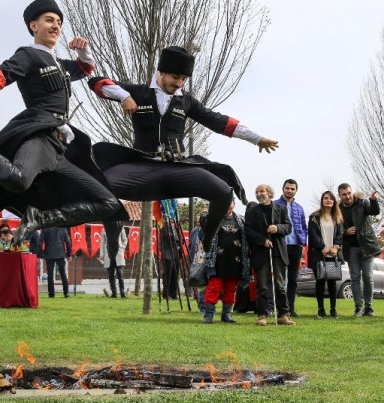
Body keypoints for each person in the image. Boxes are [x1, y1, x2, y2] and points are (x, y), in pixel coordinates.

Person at [0, 0, 126, 247]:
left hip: (58, 149)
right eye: (49, 20)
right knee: (17, 179)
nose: (56, 25)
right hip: (39, 135)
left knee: (108, 203)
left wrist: (82, 50)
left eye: (58, 21)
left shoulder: (61, 64)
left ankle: (40, 217)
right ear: (34, 26)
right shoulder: (29, 55)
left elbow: (86, 69)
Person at [88, 45, 279, 258]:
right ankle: (112, 234)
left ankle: (208, 239)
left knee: (224, 191)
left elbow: (219, 121)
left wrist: (258, 139)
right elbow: (95, 82)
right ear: (161, 72)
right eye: (175, 77)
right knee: (101, 187)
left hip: (176, 166)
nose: (179, 83)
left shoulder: (186, 101)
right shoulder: (138, 92)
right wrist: (123, 96)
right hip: (141, 164)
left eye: (184, 79)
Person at [244, 184, 295, 326]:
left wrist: (277, 228)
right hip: (260, 252)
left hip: (278, 251)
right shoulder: (251, 212)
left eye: (261, 191)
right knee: (262, 286)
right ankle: (262, 315)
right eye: (256, 192)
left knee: (280, 285)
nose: (259, 194)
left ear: (270, 193)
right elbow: (248, 231)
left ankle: (283, 315)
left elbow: (288, 227)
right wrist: (262, 240)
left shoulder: (281, 209)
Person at [202, 199, 250, 324]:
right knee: (214, 287)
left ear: (234, 204)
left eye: (231, 202)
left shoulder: (241, 220)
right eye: (226, 201)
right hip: (217, 259)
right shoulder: (214, 218)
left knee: (231, 288)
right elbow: (204, 226)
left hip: (236, 259)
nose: (228, 204)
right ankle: (209, 314)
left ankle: (226, 314)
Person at [338, 183, 381, 317]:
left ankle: (369, 307)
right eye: (344, 194)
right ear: (340, 195)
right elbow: (337, 229)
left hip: (367, 245)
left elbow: (374, 211)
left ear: (352, 192)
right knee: (355, 278)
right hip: (351, 248)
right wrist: (346, 232)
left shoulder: (361, 203)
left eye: (349, 193)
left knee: (368, 277)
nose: (347, 196)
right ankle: (358, 307)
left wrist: (373, 201)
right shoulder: (338, 209)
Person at [274, 179, 307, 317]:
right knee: (278, 279)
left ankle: (290, 308)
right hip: (280, 245)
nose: (290, 191)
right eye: (287, 188)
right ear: (283, 189)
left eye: (292, 189)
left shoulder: (299, 207)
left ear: (296, 191)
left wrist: (303, 242)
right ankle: (277, 308)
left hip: (295, 246)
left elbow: (303, 226)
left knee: (293, 279)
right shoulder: (274, 204)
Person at [308, 191, 344, 319]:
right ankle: (320, 309)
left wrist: (336, 247)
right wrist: (322, 247)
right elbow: (313, 234)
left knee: (332, 283)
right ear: (322, 201)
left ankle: (333, 310)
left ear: (334, 201)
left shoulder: (338, 218)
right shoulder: (314, 217)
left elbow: (340, 234)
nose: (328, 200)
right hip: (319, 254)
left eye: (331, 198)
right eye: (325, 198)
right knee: (320, 282)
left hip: (333, 255)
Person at [38, 227, 72, 298]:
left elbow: (40, 242)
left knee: (50, 274)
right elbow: (68, 241)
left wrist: (40, 254)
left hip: (49, 253)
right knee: (63, 274)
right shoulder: (63, 228)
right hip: (60, 253)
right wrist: (69, 254)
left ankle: (51, 293)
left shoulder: (45, 228)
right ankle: (66, 292)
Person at [99, 225, 128, 298]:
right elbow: (102, 243)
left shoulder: (120, 228)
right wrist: (101, 254)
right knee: (111, 275)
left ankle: (122, 293)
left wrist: (122, 247)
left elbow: (125, 239)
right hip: (108, 254)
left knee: (120, 274)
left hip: (119, 253)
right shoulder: (104, 229)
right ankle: (114, 293)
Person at [159, 224, 180, 300]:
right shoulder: (164, 227)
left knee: (175, 274)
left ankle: (174, 293)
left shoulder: (175, 228)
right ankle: (166, 293)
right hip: (167, 254)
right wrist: (177, 241)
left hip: (175, 253)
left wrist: (179, 241)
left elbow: (178, 239)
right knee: (168, 274)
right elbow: (169, 237)